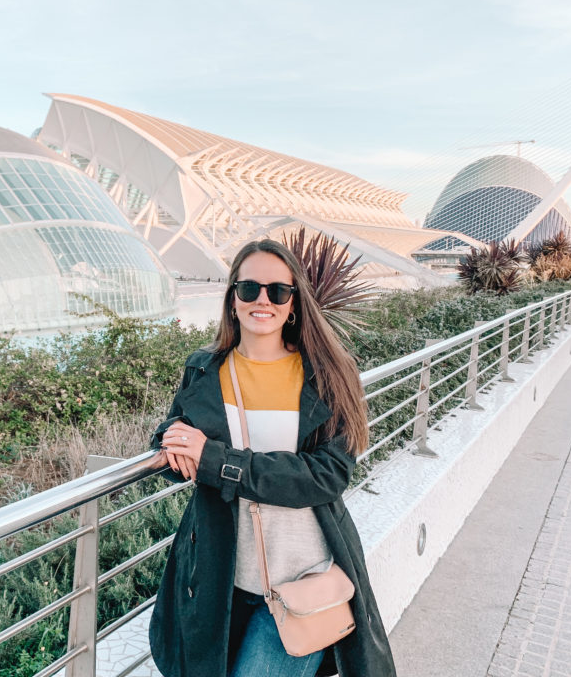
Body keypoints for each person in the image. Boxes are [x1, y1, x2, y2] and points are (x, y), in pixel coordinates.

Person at [149, 239, 396, 677]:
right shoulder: (204, 369)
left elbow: (327, 475)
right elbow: (175, 436)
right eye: (249, 289)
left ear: (293, 303)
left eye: (277, 291)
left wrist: (217, 462)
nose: (263, 300)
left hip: (302, 581)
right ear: (232, 299)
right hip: (219, 581)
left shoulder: (326, 374)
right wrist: (171, 444)